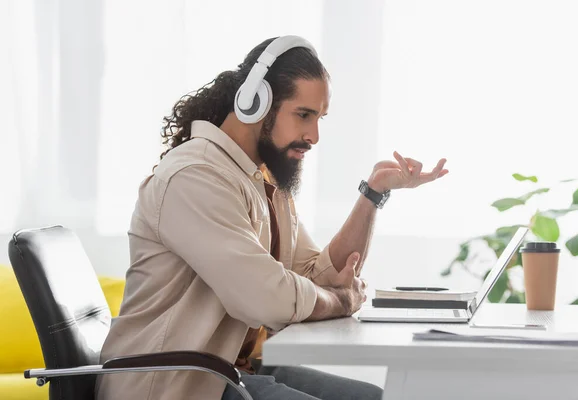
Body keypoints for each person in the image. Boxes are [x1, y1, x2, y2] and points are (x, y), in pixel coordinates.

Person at [96, 35, 448, 400]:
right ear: (254, 103)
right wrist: (342, 301)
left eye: (319, 118)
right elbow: (267, 297)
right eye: (304, 115)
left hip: (230, 371)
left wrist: (374, 192)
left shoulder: (260, 179)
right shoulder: (194, 177)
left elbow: (317, 275)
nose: (313, 135)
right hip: (176, 383)